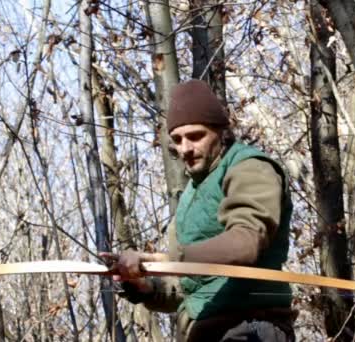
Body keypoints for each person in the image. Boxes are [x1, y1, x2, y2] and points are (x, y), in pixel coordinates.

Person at [102, 79, 296, 342]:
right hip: (204, 332)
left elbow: (246, 241)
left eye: (196, 136)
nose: (186, 148)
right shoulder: (191, 196)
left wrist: (172, 258)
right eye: (178, 140)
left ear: (221, 132)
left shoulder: (250, 167)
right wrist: (144, 284)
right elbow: (189, 290)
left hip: (251, 327)